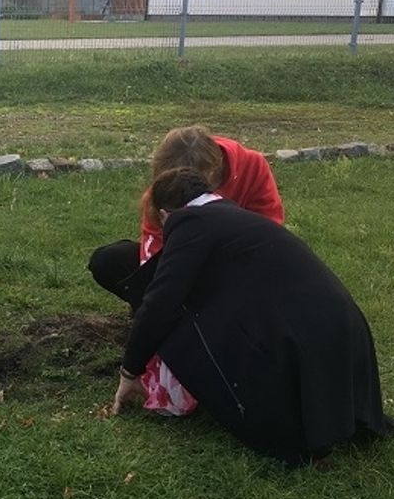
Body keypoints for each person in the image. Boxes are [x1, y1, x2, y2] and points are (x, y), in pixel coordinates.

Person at [113, 167, 394, 465]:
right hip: (343, 325)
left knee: (185, 325)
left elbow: (161, 303)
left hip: (299, 336)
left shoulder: (189, 222)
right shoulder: (235, 217)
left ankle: (295, 435)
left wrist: (130, 371)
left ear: (164, 213)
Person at [89, 125, 284, 415]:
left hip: (236, 268)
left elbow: (269, 232)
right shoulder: (162, 192)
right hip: (184, 267)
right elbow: (155, 254)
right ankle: (159, 336)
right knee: (110, 260)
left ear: (215, 171)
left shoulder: (252, 166)